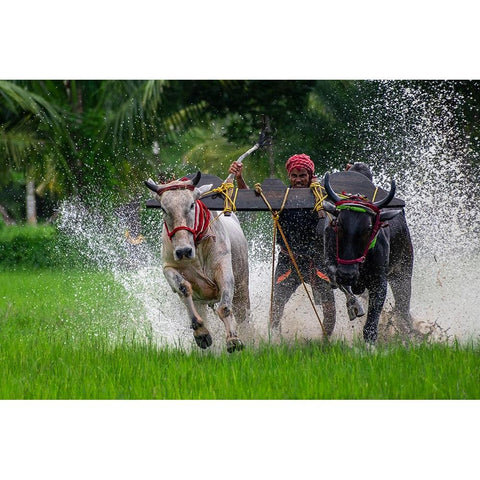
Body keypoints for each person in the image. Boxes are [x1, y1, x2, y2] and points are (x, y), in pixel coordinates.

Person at [228, 153, 336, 336]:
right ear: (289, 177)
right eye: (294, 176)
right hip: (288, 258)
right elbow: (250, 200)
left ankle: (326, 340)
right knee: (276, 304)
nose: (298, 180)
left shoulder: (322, 195)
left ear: (310, 176)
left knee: (329, 305)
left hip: (316, 259)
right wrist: (239, 178)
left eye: (303, 175)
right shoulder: (280, 196)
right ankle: (275, 336)